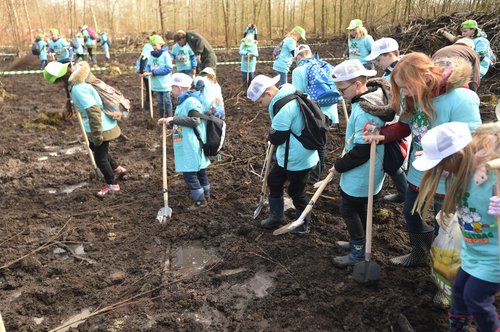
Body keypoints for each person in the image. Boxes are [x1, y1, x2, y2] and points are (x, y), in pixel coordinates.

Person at [363, 53, 481, 270]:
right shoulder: (416, 97)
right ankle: (420, 251)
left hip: (448, 175)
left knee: (442, 225)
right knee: (410, 211)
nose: (404, 92)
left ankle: (443, 276)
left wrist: (453, 162)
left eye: (406, 87)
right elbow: (407, 126)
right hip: (420, 169)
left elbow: (472, 138)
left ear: (422, 78)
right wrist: (382, 134)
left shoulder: (461, 99)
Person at [412, 122, 499, 332]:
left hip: (494, 257)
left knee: (475, 298)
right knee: (459, 291)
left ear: (455, 157)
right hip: (472, 252)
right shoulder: (462, 171)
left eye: (441, 163)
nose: (440, 169)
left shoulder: (491, 177)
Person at [327, 60, 393, 267]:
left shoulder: (365, 111)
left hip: (364, 171)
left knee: (348, 209)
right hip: (366, 171)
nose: (340, 94)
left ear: (357, 84)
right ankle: (360, 241)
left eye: (342, 89)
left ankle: (357, 251)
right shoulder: (367, 100)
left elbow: (363, 151)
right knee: (360, 208)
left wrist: (339, 166)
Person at [247, 75, 319, 234]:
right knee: (273, 180)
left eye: (260, 101)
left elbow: (277, 137)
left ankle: (302, 224)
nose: (261, 106)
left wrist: (271, 135)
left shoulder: (284, 108)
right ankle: (276, 216)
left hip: (298, 159)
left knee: (296, 192)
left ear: (268, 93)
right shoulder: (287, 96)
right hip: (288, 155)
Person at [43, 61, 126, 196]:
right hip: (99, 126)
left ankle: (112, 184)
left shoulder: (78, 89)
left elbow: (93, 111)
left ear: (61, 79)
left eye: (55, 83)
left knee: (100, 159)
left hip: (101, 127)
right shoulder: (74, 86)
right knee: (96, 149)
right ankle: (117, 168)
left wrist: (97, 134)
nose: (55, 87)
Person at [158, 73, 211, 210]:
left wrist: (173, 119)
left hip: (192, 144)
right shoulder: (184, 101)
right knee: (199, 171)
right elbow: (182, 120)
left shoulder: (191, 102)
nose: (171, 90)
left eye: (173, 87)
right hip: (186, 142)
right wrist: (169, 122)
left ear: (180, 88)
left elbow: (195, 121)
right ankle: (206, 193)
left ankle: (200, 201)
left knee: (190, 174)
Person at [364, 37, 408, 203]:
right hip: (396, 122)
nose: (377, 62)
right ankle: (403, 192)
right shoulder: (391, 72)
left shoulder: (400, 73)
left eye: (379, 58)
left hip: (398, 122)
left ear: (390, 55)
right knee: (391, 160)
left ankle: (405, 193)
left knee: (393, 159)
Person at [291, 44, 339, 180]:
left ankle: (315, 172)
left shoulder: (298, 70)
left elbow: (299, 95)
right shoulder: (326, 65)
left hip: (314, 114)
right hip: (330, 112)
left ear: (298, 57)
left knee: (315, 140)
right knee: (322, 139)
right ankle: (319, 169)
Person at [143, 35, 173, 118]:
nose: (154, 47)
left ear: (160, 44)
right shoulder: (151, 54)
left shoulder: (165, 54)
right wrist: (146, 70)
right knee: (160, 101)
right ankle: (161, 118)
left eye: (155, 45)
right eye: (152, 45)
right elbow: (149, 64)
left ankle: (169, 118)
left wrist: (154, 72)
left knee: (167, 101)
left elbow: (168, 68)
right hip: (156, 83)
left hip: (164, 83)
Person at [136, 34, 155, 110]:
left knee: (149, 90)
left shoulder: (146, 46)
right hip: (147, 73)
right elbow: (143, 59)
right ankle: (147, 106)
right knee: (150, 90)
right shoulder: (149, 48)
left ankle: (148, 105)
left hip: (145, 72)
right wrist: (141, 71)